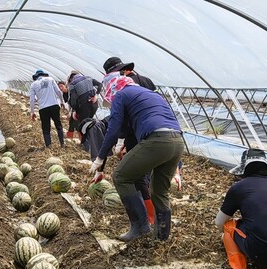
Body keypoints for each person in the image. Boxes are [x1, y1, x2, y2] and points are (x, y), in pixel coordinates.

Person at [89, 74, 183, 241]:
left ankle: (140, 227)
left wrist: (100, 158)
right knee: (159, 190)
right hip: (176, 142)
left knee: (120, 176)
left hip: (156, 141)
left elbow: (113, 128)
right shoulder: (151, 94)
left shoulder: (121, 94)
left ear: (112, 89)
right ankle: (162, 236)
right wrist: (178, 168)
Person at [28, 69, 66, 148]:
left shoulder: (33, 85)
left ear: (36, 76)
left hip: (43, 108)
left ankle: (48, 146)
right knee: (58, 124)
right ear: (43, 75)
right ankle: (62, 143)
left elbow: (32, 100)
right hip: (54, 106)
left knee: (46, 127)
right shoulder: (50, 79)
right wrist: (62, 102)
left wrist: (32, 112)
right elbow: (58, 92)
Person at [67, 70, 103, 139]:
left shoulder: (73, 84)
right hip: (94, 104)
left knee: (83, 124)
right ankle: (89, 139)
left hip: (83, 106)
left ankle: (85, 141)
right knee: (89, 122)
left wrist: (74, 111)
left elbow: (73, 100)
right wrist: (96, 95)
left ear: (71, 79)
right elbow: (100, 85)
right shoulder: (88, 78)